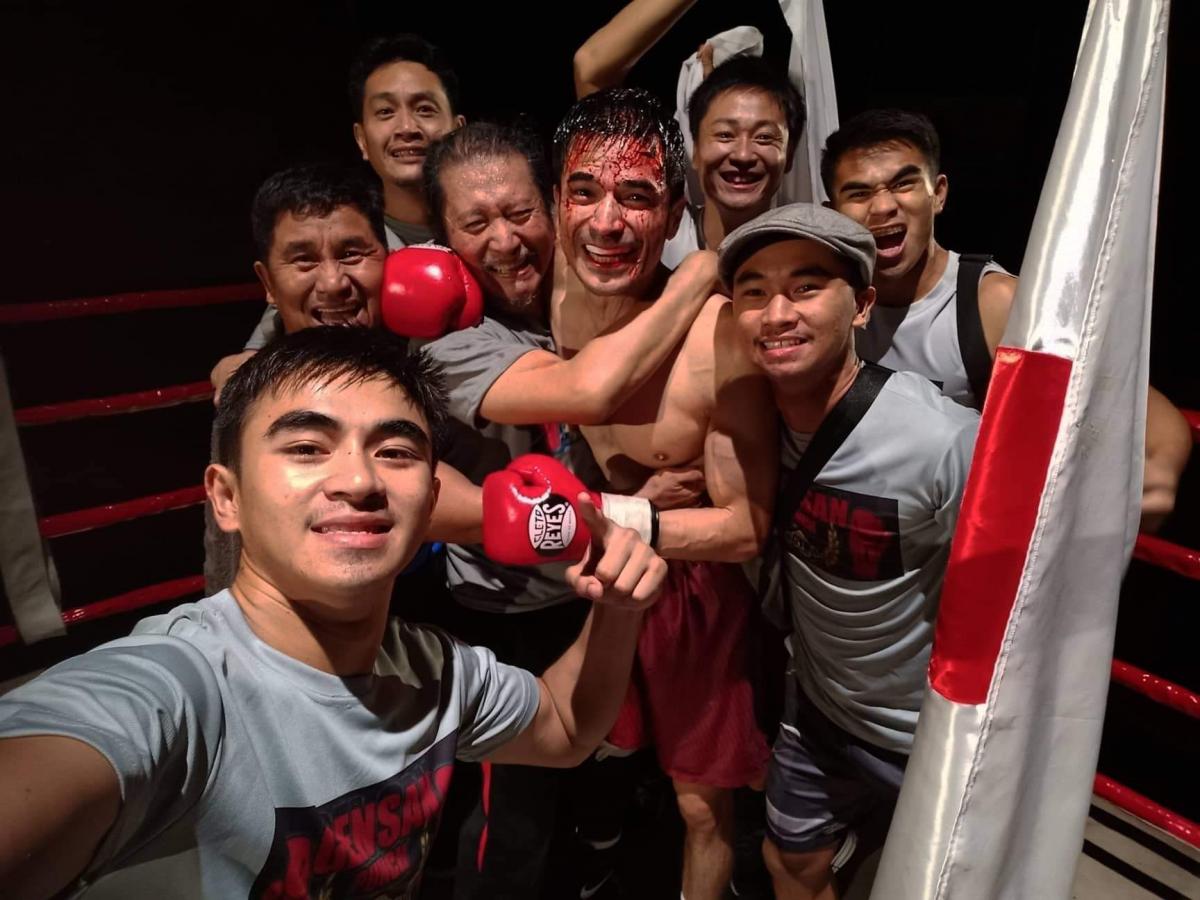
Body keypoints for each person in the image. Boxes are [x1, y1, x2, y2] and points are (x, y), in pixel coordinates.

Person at [0, 326, 666, 900]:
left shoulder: (432, 671)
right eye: (307, 448)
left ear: (431, 503)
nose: (359, 480)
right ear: (226, 498)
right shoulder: (173, 694)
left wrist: (618, 608)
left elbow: (565, 728)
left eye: (395, 452)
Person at [404, 120, 720, 898]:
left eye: (520, 213)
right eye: (476, 224)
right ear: (443, 238)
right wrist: (700, 272)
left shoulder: (581, 291)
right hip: (507, 612)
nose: (505, 240)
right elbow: (589, 392)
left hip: (599, 591)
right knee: (513, 817)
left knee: (605, 778)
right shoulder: (451, 340)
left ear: (551, 205)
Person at [536, 87, 777, 900]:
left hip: (693, 594)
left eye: (636, 196)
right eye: (584, 192)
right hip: (596, 570)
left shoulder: (717, 336)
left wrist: (612, 514)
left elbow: (745, 526)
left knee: (701, 806)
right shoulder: (556, 285)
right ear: (556, 201)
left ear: (674, 213)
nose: (606, 223)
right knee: (591, 748)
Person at [717, 203, 979, 899]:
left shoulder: (941, 440)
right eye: (754, 293)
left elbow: (1015, 599)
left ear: (862, 305)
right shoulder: (744, 431)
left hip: (924, 739)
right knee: (790, 862)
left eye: (806, 287)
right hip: (816, 711)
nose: (777, 314)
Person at [822, 107, 1192, 531]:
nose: (884, 206)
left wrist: (1151, 479)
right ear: (831, 212)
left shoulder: (992, 303)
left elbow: (1150, 416)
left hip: (958, 546)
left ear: (938, 193)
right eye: (859, 193)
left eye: (903, 184)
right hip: (859, 542)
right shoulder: (827, 298)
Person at [218, 33, 466, 373]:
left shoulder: (495, 234)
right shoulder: (351, 245)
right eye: (385, 112)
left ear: (458, 129)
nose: (407, 127)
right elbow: (247, 361)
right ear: (361, 139)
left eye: (425, 109)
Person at [573, 0, 806, 268]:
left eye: (763, 137)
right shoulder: (658, 235)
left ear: (790, 154)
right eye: (725, 135)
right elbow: (591, 70)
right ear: (695, 148)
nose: (743, 155)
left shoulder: (811, 257)